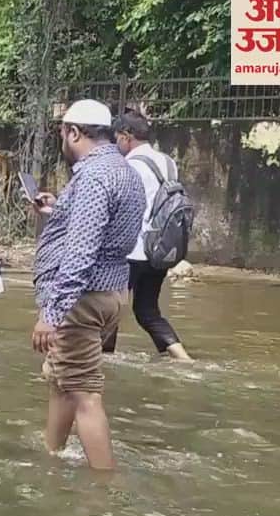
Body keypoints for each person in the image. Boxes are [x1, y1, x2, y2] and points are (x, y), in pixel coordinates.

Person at [29, 99, 145, 471]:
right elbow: (102, 228)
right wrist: (58, 210)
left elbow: (80, 253)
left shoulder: (94, 176)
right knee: (63, 381)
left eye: (63, 133)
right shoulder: (123, 170)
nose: (62, 140)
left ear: (74, 132)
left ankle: (105, 489)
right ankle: (53, 458)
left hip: (82, 299)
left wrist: (51, 314)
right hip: (110, 292)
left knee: (84, 395)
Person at [103, 107, 193, 361]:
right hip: (159, 250)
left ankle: (101, 361)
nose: (116, 144)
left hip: (132, 251)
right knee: (147, 310)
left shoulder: (130, 165)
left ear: (126, 136)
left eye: (117, 138)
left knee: (110, 309)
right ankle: (183, 359)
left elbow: (120, 207)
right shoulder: (168, 162)